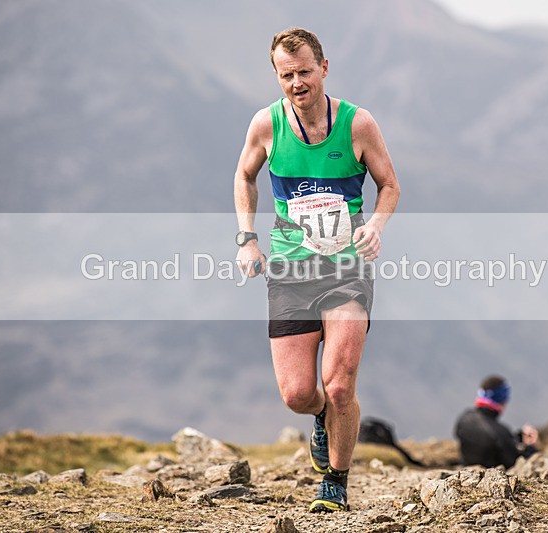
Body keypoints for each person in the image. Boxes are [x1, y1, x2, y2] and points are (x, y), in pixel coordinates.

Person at [233, 27, 400, 512]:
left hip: (347, 266)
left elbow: (389, 184)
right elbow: (244, 174)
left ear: (324, 69)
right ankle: (322, 416)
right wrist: (247, 238)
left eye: (305, 71)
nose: (297, 82)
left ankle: (336, 482)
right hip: (290, 269)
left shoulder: (357, 124)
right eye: (287, 75)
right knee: (299, 394)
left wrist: (376, 226)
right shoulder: (267, 125)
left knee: (341, 383)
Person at [454, 375, 540, 469]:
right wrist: (530, 448)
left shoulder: (464, 418)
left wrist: (517, 437)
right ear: (502, 399)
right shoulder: (500, 432)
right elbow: (512, 461)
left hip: (465, 470)